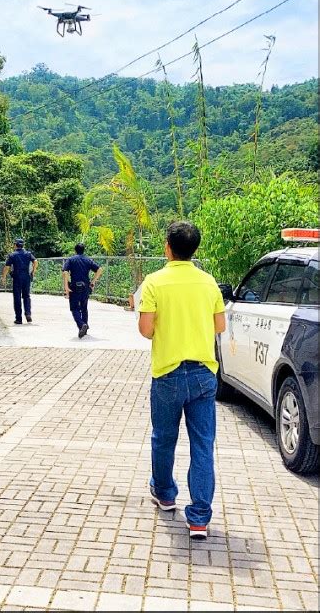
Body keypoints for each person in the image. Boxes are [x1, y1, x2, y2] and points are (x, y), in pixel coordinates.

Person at [138, 221, 226, 540]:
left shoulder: (154, 282)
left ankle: (165, 494)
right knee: (202, 445)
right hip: (203, 373)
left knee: (164, 438)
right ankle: (199, 517)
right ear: (194, 249)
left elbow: (146, 330)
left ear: (167, 247)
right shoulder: (208, 282)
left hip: (167, 373)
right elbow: (219, 326)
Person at [62, 243, 103, 338]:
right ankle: (85, 328)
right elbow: (99, 269)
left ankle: (81, 325)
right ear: (83, 250)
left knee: (74, 308)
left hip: (74, 287)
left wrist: (66, 287)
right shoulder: (88, 260)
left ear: (75, 250)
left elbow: (65, 272)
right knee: (84, 308)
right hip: (85, 287)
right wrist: (93, 281)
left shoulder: (71, 260)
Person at [1, 238, 38, 324]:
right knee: (26, 296)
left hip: (17, 278)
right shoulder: (28, 254)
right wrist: (33, 271)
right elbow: (35, 261)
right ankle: (28, 314)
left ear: (15, 245)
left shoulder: (12, 255)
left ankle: (19, 319)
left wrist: (3, 277)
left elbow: (7, 267)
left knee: (17, 298)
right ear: (22, 245)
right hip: (26, 277)